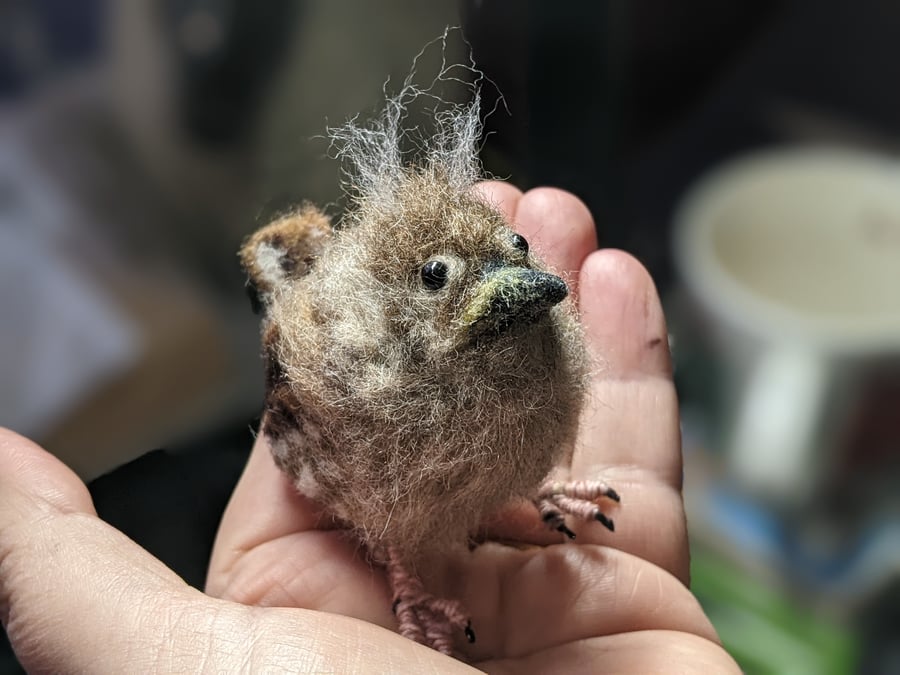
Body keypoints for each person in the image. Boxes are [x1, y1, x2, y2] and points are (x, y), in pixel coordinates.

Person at [0, 184, 740, 673]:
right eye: (439, 278)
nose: (518, 280)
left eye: (516, 255)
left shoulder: (545, 346)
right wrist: (405, 575)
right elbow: (316, 441)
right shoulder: (354, 383)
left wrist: (528, 487)